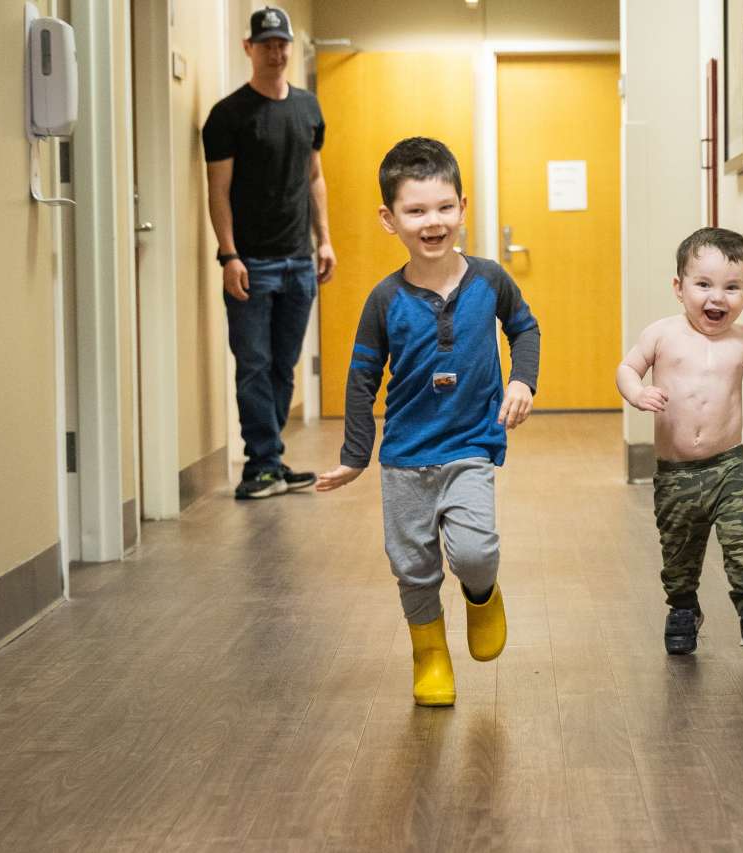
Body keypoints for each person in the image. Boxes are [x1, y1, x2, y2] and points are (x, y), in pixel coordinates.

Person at [316, 137, 540, 707]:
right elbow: (362, 378)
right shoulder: (384, 299)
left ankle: (482, 596)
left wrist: (521, 381)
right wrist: (355, 456)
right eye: (415, 211)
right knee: (412, 565)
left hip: (471, 445)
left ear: (462, 207)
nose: (432, 221)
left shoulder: (489, 280)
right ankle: (431, 655)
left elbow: (524, 329)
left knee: (474, 552)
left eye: (444, 207)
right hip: (405, 457)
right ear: (389, 219)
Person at [616, 227, 743, 655]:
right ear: (679, 287)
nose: (718, 297)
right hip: (676, 471)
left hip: (727, 466)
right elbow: (628, 368)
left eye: (732, 287)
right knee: (679, 548)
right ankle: (683, 608)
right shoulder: (662, 334)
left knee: (742, 539)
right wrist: (637, 393)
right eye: (704, 285)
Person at [203, 6, 337, 500]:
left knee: (283, 365)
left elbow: (315, 177)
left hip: (299, 259)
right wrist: (229, 255)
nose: (276, 53)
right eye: (266, 45)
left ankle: (270, 461)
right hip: (251, 263)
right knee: (254, 364)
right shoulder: (227, 115)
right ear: (249, 48)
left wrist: (324, 239)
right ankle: (261, 464)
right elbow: (218, 190)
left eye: (282, 44)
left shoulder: (308, 108)